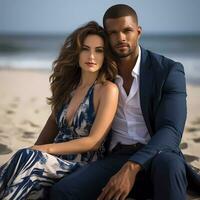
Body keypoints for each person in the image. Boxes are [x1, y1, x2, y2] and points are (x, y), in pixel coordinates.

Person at [50, 4, 200, 200]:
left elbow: (171, 130)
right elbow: (69, 105)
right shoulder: (101, 72)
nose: (121, 37)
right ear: (106, 36)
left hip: (158, 154)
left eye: (127, 30)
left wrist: (132, 167)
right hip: (115, 157)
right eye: (113, 33)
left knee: (169, 165)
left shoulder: (168, 71)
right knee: (63, 192)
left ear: (138, 32)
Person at [0, 21, 119, 200]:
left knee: (29, 158)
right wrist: (34, 150)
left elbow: (93, 142)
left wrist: (44, 149)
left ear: (106, 55)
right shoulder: (68, 87)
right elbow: (48, 131)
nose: (91, 56)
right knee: (20, 158)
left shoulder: (107, 90)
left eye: (99, 50)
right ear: (77, 53)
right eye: (85, 49)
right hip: (53, 160)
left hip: (83, 166)